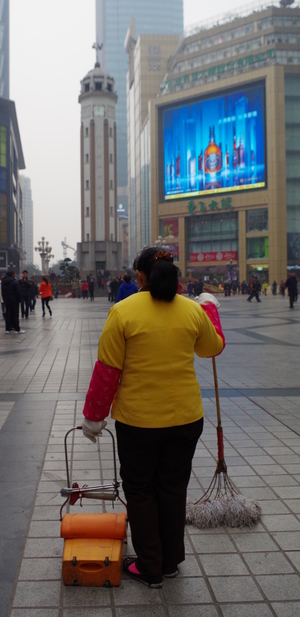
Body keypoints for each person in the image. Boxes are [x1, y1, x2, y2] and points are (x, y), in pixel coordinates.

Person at [81, 247, 225, 588]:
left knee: (141, 491)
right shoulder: (191, 310)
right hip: (186, 419)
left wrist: (94, 416)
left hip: (139, 423)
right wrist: (210, 311)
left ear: (140, 276)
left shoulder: (123, 312)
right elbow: (212, 347)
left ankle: (150, 567)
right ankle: (171, 562)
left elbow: (107, 371)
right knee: (173, 489)